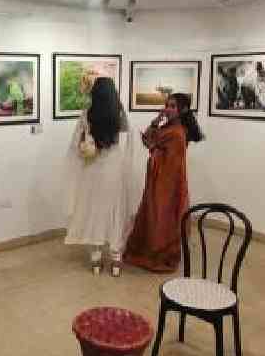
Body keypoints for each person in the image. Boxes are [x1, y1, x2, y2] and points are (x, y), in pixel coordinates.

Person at [123, 93, 204, 273]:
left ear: (182, 109)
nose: (167, 108)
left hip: (167, 181)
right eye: (167, 104)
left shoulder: (176, 132)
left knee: (161, 215)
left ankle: (160, 252)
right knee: (156, 213)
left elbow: (148, 140)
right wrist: (156, 122)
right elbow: (149, 141)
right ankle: (153, 248)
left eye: (172, 106)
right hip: (161, 178)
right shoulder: (171, 126)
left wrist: (153, 128)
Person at [64, 77, 134, 276]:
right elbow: (127, 131)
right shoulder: (119, 113)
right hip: (114, 168)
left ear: (94, 92)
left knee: (93, 211)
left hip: (93, 168)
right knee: (115, 210)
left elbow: (77, 143)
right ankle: (116, 260)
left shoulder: (87, 114)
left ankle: (96, 261)